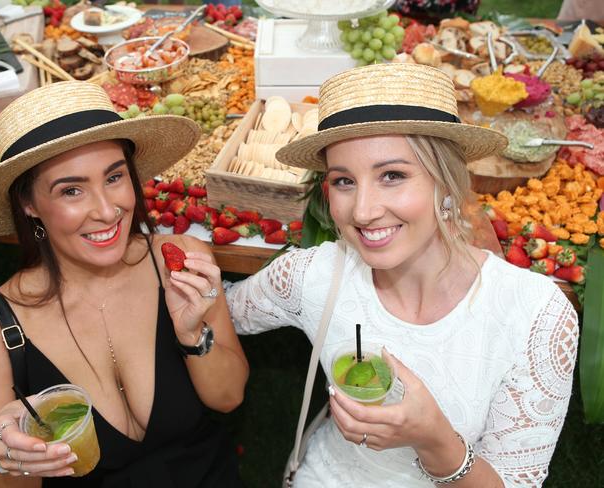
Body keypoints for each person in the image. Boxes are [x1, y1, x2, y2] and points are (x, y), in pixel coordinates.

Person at [226, 63, 578, 487]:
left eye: (392, 175)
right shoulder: (315, 275)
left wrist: (434, 441)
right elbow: (226, 310)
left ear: (445, 185)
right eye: (343, 181)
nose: (362, 211)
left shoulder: (536, 316)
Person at [0, 81, 249, 488]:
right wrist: (2, 451)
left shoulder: (180, 260)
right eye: (71, 190)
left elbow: (229, 397)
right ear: (29, 204)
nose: (108, 210)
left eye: (114, 177)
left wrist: (193, 336)